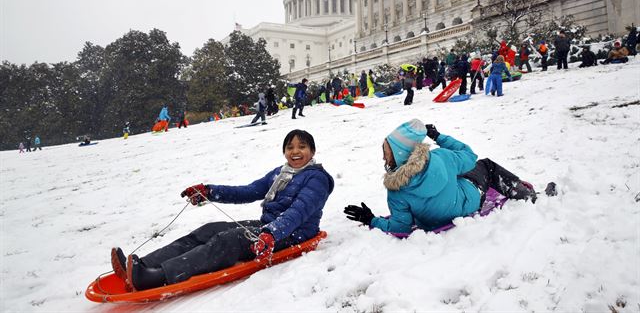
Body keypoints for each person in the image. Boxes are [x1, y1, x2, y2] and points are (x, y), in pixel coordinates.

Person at [110, 129, 334, 291]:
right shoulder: (281, 173)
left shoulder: (317, 179)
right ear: (284, 151)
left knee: (229, 240)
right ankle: (143, 265)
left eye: (302, 147)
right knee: (209, 230)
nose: (296, 152)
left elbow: (298, 212)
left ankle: (156, 276)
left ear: (312, 151)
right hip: (268, 228)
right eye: (290, 147)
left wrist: (271, 233)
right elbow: (248, 191)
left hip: (292, 234)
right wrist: (209, 191)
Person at [343, 119, 536, 234]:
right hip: (468, 202)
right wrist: (438, 136)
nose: (383, 156)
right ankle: (525, 194)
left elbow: (400, 226)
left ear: (400, 154)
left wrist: (371, 220)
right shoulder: (441, 157)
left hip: (433, 221)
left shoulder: (396, 190)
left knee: (458, 172)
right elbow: (469, 156)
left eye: (386, 152)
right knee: (485, 165)